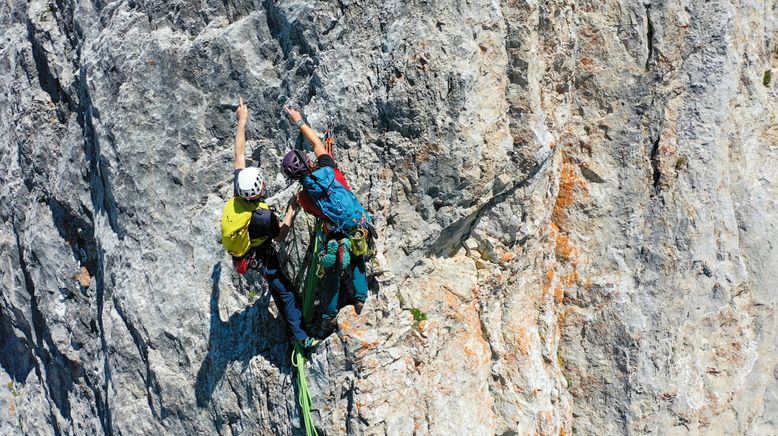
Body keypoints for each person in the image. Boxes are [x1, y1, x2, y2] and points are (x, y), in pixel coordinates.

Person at [225, 97, 319, 350]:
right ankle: (301, 337)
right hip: (262, 254)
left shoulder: (238, 193)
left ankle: (293, 328)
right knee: (285, 292)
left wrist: (242, 122)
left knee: (278, 289)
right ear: (259, 188)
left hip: (247, 252)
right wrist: (290, 210)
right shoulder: (263, 216)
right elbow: (279, 236)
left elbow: (239, 153)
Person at [278, 106, 372, 334]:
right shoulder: (329, 168)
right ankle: (360, 298)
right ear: (309, 162)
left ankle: (329, 315)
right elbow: (317, 144)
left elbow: (317, 213)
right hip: (358, 221)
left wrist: (294, 204)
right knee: (358, 256)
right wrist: (298, 120)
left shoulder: (304, 197)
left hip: (335, 228)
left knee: (332, 270)